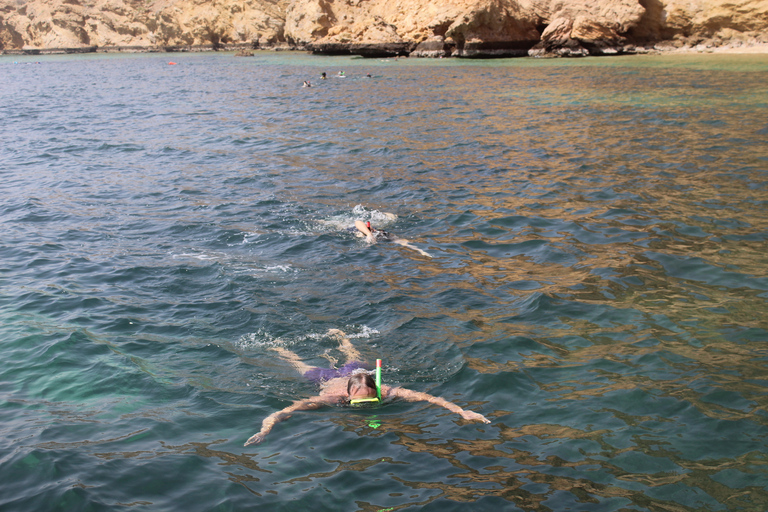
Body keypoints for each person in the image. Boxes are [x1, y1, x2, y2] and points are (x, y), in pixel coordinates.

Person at [245, 329, 489, 446]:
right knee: (299, 365)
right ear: (348, 396)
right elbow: (286, 410)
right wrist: (266, 428)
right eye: (359, 402)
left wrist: (461, 412)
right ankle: (278, 348)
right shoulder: (333, 396)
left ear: (378, 392)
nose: (363, 406)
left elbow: (432, 398)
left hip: (356, 373)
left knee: (354, 356)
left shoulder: (390, 391)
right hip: (328, 378)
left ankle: (343, 338)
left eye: (371, 401)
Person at [354, 219, 432, 258]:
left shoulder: (381, 233)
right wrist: (368, 234)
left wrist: (421, 251)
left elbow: (402, 242)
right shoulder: (359, 230)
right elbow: (357, 222)